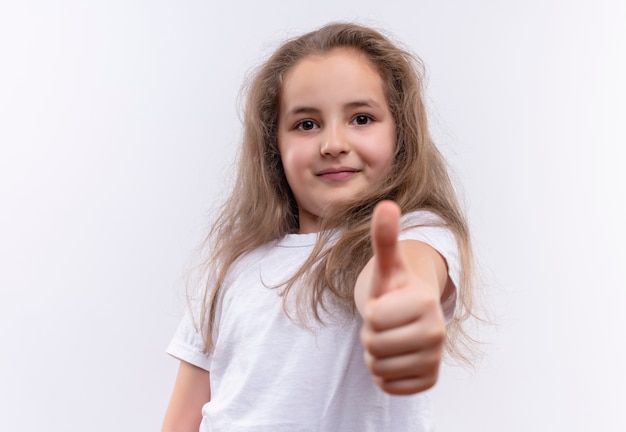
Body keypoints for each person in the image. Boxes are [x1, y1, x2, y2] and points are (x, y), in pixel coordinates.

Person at [162, 22, 476, 432]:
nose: (333, 144)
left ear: (401, 134)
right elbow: (183, 417)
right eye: (307, 124)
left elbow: (407, 274)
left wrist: (403, 301)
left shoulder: (414, 233)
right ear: (274, 145)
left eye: (361, 118)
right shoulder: (231, 266)